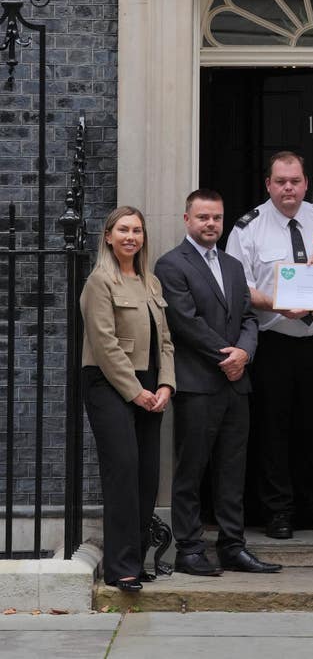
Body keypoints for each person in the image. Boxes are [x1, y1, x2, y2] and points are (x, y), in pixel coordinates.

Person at [225, 151, 313, 539]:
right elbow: (239, 289)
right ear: (268, 184)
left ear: (305, 183)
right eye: (281, 181)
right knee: (274, 431)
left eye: (295, 181)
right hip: (274, 344)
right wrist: (279, 303)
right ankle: (278, 511)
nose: (289, 188)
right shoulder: (248, 228)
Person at [155, 189, 281, 575]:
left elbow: (248, 317)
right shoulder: (171, 265)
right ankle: (190, 549)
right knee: (191, 469)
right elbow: (185, 321)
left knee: (232, 470)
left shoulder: (231, 265)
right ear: (187, 219)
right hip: (197, 385)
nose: (211, 224)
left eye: (217, 218)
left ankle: (233, 546)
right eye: (203, 217)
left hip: (235, 383)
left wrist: (244, 353)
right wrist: (227, 356)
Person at [81, 206, 175, 592]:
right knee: (123, 469)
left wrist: (166, 385)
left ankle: (136, 559)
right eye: (123, 230)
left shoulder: (152, 282)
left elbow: (165, 341)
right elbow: (104, 345)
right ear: (108, 236)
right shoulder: (99, 281)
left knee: (146, 473)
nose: (130, 237)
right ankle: (121, 568)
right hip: (109, 383)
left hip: (150, 384)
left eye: (137, 230)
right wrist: (136, 392)